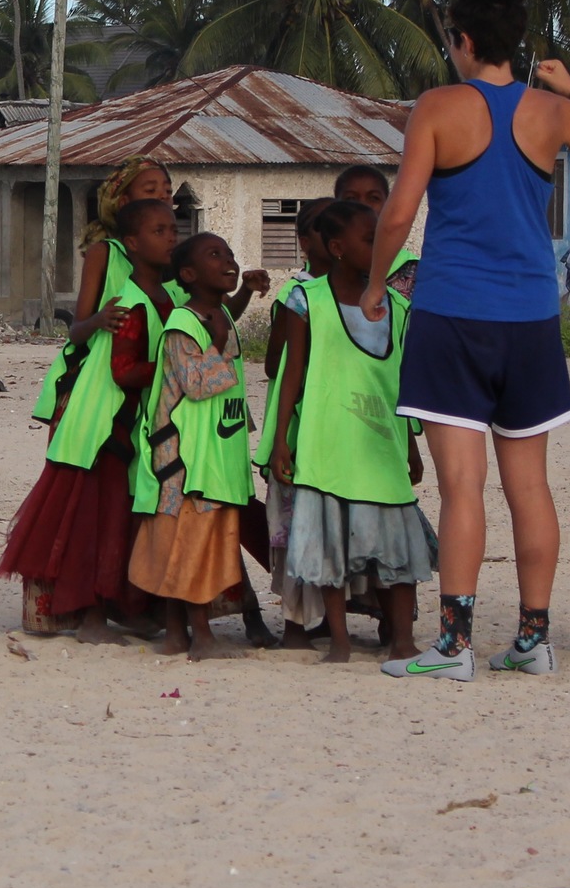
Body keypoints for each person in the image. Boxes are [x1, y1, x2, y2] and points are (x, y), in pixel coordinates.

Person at [372, 0, 570, 683]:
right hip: (531, 317)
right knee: (530, 485)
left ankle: (455, 645)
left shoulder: (437, 106)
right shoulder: (549, 112)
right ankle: (533, 638)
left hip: (452, 312)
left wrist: (376, 283)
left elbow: (401, 212)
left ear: (462, 41)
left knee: (461, 485)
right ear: (515, 41)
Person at [0, 197, 180, 645]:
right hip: (105, 422)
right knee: (96, 520)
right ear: (132, 243)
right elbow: (123, 370)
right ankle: (91, 615)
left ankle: (126, 606)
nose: (172, 238)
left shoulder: (170, 295)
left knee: (123, 516)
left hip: (134, 423)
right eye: (160, 231)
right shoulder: (129, 302)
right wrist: (176, 372)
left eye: (174, 229)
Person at [266, 201, 435, 663]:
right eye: (368, 239)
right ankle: (339, 641)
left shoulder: (397, 306)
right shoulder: (308, 300)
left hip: (382, 446)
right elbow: (291, 375)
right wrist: (282, 438)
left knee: (398, 553)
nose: (380, 246)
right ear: (337, 248)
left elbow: (401, 378)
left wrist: (413, 445)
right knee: (331, 552)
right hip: (326, 446)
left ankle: (402, 638)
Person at [129, 231, 276, 657]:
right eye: (216, 255)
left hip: (213, 460)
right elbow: (197, 384)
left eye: (230, 252)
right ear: (189, 274)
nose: (228, 261)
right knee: (192, 550)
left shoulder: (218, 317)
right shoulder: (182, 325)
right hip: (187, 465)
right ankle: (203, 638)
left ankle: (177, 635)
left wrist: (243, 296)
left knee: (187, 549)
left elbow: (223, 321)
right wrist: (215, 339)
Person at [257, 202, 339, 647]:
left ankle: (327, 618)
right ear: (307, 243)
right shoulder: (299, 295)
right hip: (298, 430)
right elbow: (277, 364)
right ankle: (294, 624)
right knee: (294, 525)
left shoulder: (361, 293)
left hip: (338, 429)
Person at [336, 164, 418, 298]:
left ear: (388, 203)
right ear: (335, 206)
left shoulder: (412, 269)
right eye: (351, 198)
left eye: (373, 198)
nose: (363, 205)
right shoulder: (323, 267)